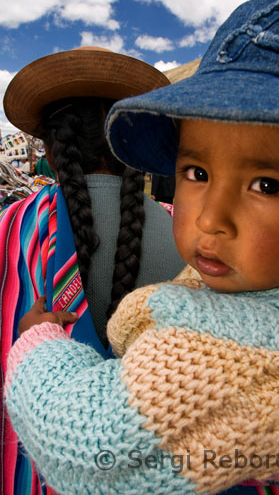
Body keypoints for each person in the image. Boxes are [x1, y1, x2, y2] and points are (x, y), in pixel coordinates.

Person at [4, 0, 279, 493]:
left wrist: (37, 345)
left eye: (267, 184)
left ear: (49, 149)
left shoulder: (262, 362)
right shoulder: (233, 272)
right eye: (197, 173)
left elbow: (95, 449)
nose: (209, 218)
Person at [0, 47, 185, 495]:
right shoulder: (191, 235)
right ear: (132, 142)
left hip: (41, 470)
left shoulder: (12, 229)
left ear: (49, 148)